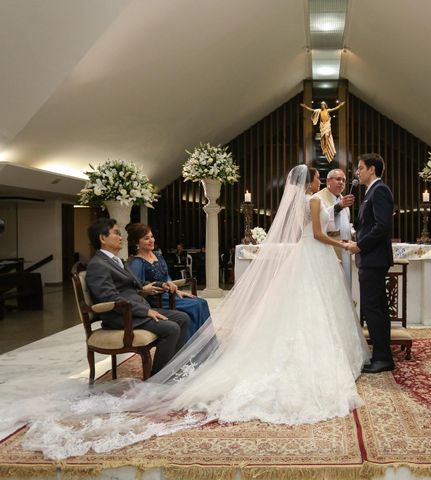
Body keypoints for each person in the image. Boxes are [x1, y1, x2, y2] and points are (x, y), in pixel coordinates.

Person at [0, 165, 369, 460]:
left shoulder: (306, 203)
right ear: (312, 182)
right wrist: (343, 244)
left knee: (299, 309)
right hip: (316, 257)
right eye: (321, 177)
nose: (324, 179)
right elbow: (320, 235)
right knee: (315, 308)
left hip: (305, 259)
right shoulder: (314, 202)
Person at [84, 218, 191, 375]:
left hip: (136, 311)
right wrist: (145, 311)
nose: (121, 237)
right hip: (121, 317)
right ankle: (158, 377)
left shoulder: (116, 261)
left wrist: (162, 285)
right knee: (171, 328)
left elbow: (138, 283)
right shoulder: (97, 264)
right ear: (102, 238)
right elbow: (109, 298)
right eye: (116, 233)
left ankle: (173, 367)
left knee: (183, 318)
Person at [346, 153, 394, 374]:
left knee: (373, 308)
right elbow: (369, 224)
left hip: (373, 259)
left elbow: (382, 226)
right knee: (377, 308)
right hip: (371, 258)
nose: (358, 172)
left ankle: (383, 357)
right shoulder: (369, 192)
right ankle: (382, 354)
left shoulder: (379, 190)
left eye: (361, 167)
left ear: (372, 169)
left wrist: (360, 245)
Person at [126, 223, 211, 338]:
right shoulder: (136, 262)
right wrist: (147, 289)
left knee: (202, 302)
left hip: (170, 294)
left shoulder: (157, 255)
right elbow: (136, 286)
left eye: (151, 237)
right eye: (146, 238)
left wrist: (177, 290)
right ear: (137, 243)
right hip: (157, 299)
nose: (151, 240)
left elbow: (167, 277)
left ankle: (205, 345)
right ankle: (189, 348)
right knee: (195, 306)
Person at [315, 168, 355, 284]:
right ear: (328, 181)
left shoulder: (343, 199)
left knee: (343, 281)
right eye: (338, 179)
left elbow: (345, 223)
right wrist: (338, 207)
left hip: (342, 243)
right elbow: (320, 218)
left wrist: (354, 233)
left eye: (343, 180)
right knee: (329, 281)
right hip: (327, 243)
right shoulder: (318, 198)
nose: (341, 182)